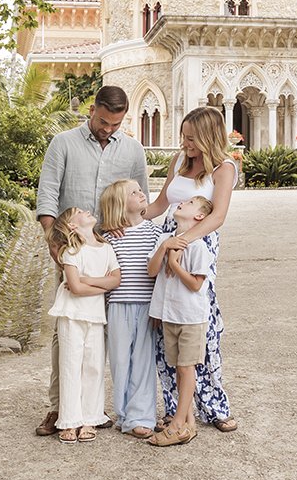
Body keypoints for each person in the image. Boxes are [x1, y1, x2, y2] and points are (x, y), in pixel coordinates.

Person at [33, 85, 149, 436]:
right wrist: (56, 244)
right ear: (92, 109)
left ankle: (97, 409)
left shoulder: (132, 149)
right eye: (103, 121)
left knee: (108, 329)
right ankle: (60, 408)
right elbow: (48, 194)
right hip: (71, 250)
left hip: (113, 250)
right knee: (67, 330)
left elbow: (140, 200)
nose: (108, 129)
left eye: (116, 124)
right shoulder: (63, 143)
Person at [143, 105, 239, 432]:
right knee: (165, 322)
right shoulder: (179, 162)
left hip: (198, 242)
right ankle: (175, 408)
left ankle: (215, 406)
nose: (185, 144)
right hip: (167, 237)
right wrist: (125, 220)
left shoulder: (224, 168)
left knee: (202, 326)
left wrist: (183, 240)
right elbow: (159, 205)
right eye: (183, 137)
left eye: (192, 139)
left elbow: (218, 215)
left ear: (210, 137)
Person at [145, 195, 217, 447]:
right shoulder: (165, 239)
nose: (181, 204)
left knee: (186, 368)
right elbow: (151, 271)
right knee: (177, 367)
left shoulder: (198, 247)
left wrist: (174, 264)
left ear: (198, 216)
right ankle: (189, 424)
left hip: (190, 317)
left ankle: (178, 424)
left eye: (188, 204)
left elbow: (196, 285)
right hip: (169, 315)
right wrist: (165, 249)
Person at [45, 207, 120, 444]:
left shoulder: (106, 249)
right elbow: (75, 290)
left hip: (95, 316)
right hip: (72, 315)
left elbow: (116, 280)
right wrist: (102, 285)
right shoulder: (72, 251)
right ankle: (69, 420)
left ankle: (90, 417)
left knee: (93, 367)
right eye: (80, 212)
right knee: (70, 366)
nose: (87, 211)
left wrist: (87, 280)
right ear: (72, 226)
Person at [98, 179, 163, 439]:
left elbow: (160, 275)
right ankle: (123, 414)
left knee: (143, 363)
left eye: (140, 190)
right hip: (117, 307)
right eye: (134, 192)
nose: (141, 194)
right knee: (120, 361)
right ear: (120, 205)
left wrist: (159, 309)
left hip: (146, 306)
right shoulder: (107, 239)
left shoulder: (154, 233)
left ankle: (141, 416)